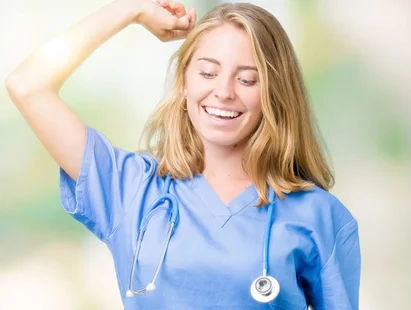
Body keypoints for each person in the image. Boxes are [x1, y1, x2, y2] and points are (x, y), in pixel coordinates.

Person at [5, 0, 361, 309]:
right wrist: (132, 10)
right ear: (183, 83)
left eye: (248, 79)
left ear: (275, 95)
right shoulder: (130, 188)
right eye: (208, 72)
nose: (223, 91)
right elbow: (28, 86)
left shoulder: (319, 216)